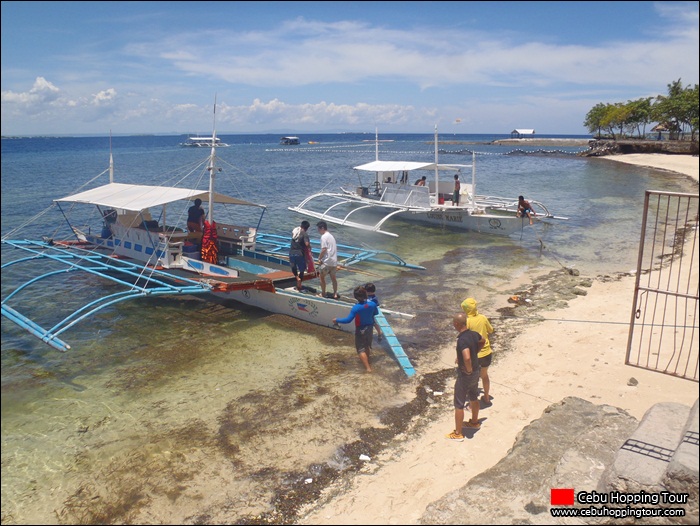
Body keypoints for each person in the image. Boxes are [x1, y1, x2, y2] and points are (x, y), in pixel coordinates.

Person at [446, 312, 485, 441]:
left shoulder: (462, 340)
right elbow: (483, 340)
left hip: (466, 374)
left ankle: (458, 433)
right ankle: (474, 422)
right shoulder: (473, 334)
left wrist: (467, 369)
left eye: (453, 323)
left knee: (459, 404)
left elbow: (467, 357)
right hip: (476, 371)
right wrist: (475, 353)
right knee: (474, 396)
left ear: (457, 324)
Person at [332, 285, 378, 372]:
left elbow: (348, 320)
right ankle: (368, 362)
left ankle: (368, 368)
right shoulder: (372, 304)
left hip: (361, 329)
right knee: (367, 345)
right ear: (366, 294)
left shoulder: (356, 307)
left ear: (356, 297)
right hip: (370, 328)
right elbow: (376, 313)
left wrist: (336, 320)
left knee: (360, 349)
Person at [461, 297, 494, 404]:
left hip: (475, 355)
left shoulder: (467, 322)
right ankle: (487, 397)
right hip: (487, 353)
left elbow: (464, 338)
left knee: (471, 379)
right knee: (484, 375)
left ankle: (472, 403)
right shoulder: (483, 318)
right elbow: (491, 330)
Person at [316, 221, 339, 299]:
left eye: (318, 229)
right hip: (334, 261)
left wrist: (319, 258)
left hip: (327, 262)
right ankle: (335, 293)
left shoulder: (323, 237)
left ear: (322, 228)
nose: (318, 231)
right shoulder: (331, 236)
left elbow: (324, 249)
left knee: (321, 277)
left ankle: (323, 294)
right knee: (333, 278)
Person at [289, 220, 311, 291]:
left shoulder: (295, 231)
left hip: (292, 252)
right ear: (307, 228)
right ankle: (299, 286)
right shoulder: (305, 234)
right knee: (302, 270)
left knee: (293, 266)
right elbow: (307, 244)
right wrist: (309, 248)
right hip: (300, 253)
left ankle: (296, 277)